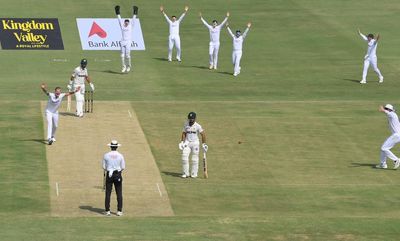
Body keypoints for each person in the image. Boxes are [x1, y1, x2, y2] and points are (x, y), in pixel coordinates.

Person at [179, 112, 207, 178]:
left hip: (195, 143)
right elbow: (184, 133)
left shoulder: (198, 126)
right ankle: (186, 173)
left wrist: (204, 144)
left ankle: (194, 174)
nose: (191, 120)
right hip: (187, 142)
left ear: (195, 119)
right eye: (189, 119)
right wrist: (182, 142)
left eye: (192, 119)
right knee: (184, 156)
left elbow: (203, 134)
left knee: (194, 159)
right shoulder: (186, 124)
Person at [102, 140, 126, 216]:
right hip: (117, 174)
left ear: (110, 147)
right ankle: (119, 211)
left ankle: (107, 211)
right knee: (119, 193)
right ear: (117, 147)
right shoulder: (120, 155)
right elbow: (123, 167)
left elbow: (103, 167)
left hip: (109, 174)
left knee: (108, 193)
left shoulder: (106, 155)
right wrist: (117, 172)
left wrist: (109, 170)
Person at [115, 5, 138, 73]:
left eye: (128, 22)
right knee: (122, 55)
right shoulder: (122, 26)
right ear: (124, 22)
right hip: (122, 41)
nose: (126, 23)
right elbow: (119, 20)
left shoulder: (131, 26)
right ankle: (123, 66)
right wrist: (117, 13)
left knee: (127, 55)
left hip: (128, 42)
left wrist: (135, 13)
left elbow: (133, 21)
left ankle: (129, 66)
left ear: (129, 22)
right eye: (126, 22)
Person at [377, 104, 400, 169]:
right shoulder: (392, 115)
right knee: (383, 148)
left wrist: (383, 109)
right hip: (396, 135)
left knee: (384, 148)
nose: (386, 110)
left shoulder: (392, 114)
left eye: (387, 109)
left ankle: (396, 160)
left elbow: (387, 112)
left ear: (390, 110)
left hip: (396, 135)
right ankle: (383, 164)